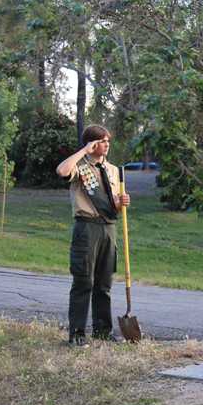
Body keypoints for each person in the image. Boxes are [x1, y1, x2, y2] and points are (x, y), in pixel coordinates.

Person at [56, 125, 130, 347]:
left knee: (104, 283)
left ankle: (102, 331)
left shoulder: (114, 170)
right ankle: (77, 334)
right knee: (83, 281)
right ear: (92, 143)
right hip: (86, 228)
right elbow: (61, 171)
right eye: (102, 141)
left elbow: (113, 204)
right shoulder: (80, 166)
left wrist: (121, 202)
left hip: (109, 227)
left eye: (108, 140)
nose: (107, 144)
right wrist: (84, 151)